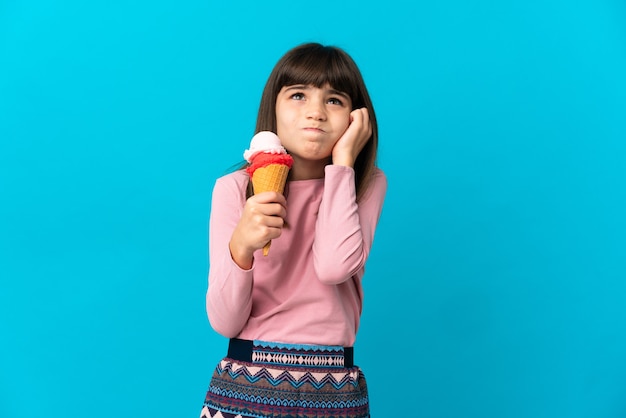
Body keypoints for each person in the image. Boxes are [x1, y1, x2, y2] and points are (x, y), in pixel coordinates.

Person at [200, 42, 387, 418]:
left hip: (333, 388)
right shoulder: (234, 189)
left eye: (334, 100)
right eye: (298, 95)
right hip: (246, 382)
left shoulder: (365, 184)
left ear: (356, 117)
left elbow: (334, 266)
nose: (315, 112)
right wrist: (241, 247)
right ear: (274, 109)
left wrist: (344, 163)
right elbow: (224, 321)